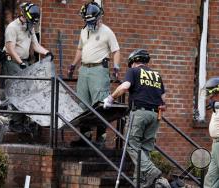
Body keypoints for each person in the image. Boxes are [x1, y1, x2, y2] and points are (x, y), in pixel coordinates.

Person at [103, 49, 167, 187]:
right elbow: (163, 99)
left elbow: (125, 87)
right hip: (155, 115)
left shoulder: (133, 72)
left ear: (133, 62)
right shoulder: (156, 75)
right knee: (144, 149)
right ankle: (141, 183)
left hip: (139, 113)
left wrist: (111, 98)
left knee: (131, 144)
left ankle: (152, 172)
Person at [68, 1, 120, 148]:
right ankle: (85, 138)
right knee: (82, 104)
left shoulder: (107, 32)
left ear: (99, 17)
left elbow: (116, 50)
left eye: (93, 20)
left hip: (99, 69)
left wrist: (116, 66)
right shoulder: (84, 31)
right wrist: (73, 65)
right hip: (84, 69)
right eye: (88, 21)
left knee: (101, 104)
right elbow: (80, 49)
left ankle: (101, 139)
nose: (91, 23)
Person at [2, 2, 53, 133]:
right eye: (31, 21)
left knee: (30, 88)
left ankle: (23, 120)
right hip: (12, 61)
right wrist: (20, 63)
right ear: (24, 15)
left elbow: (35, 46)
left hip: (22, 61)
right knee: (20, 88)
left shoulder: (29, 28)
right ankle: (14, 121)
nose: (32, 25)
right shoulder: (12, 27)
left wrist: (47, 52)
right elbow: (10, 49)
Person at [203, 77, 219, 188]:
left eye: (211, 94)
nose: (210, 97)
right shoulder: (216, 106)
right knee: (210, 178)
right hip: (215, 144)